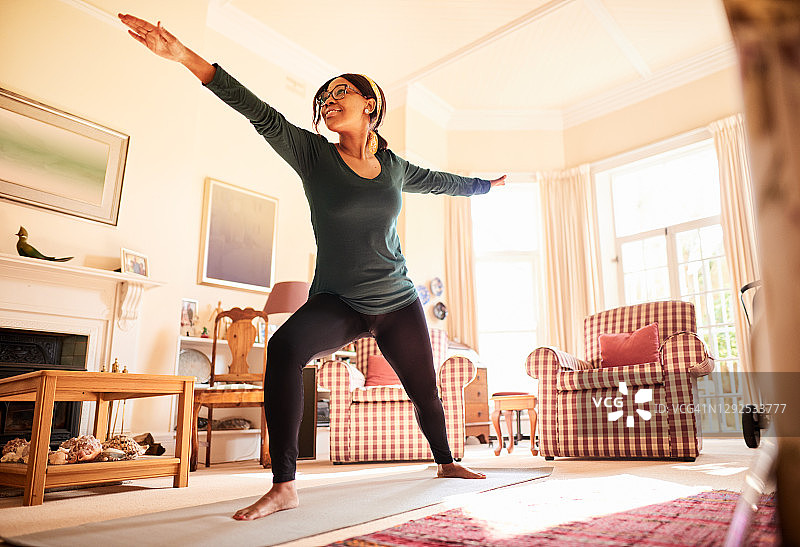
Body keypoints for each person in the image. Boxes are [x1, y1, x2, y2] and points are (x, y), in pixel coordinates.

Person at [119, 13, 506, 521]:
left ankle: (447, 461)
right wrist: (183, 55)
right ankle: (284, 486)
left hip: (397, 298)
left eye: (340, 91)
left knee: (423, 387)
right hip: (339, 300)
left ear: (370, 106)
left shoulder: (394, 168)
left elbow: (443, 181)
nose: (328, 100)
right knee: (283, 348)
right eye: (323, 97)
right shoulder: (312, 155)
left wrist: (486, 187)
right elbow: (256, 110)